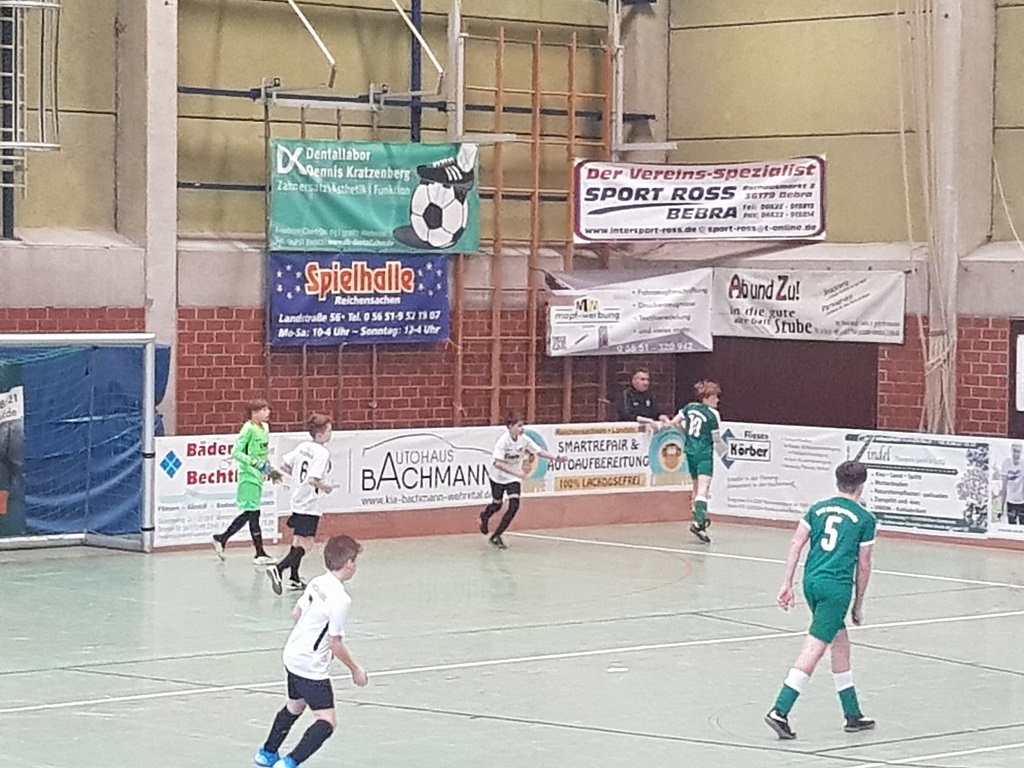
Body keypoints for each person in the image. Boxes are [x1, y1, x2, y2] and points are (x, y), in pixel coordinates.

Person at [764, 460, 877, 740]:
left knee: (840, 644)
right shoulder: (865, 519)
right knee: (814, 649)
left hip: (811, 583)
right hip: (836, 589)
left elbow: (796, 543)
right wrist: (858, 604)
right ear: (862, 486)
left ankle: (852, 713)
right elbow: (864, 565)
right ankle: (780, 710)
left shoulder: (817, 509)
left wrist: (787, 583)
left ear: (838, 482)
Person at [253, 535, 369, 768]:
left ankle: (267, 753)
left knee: (295, 706)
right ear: (348, 563)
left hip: (292, 655)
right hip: (310, 665)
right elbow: (335, 643)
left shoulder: (317, 582)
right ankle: (288, 763)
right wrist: (355, 669)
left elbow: (296, 613)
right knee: (327, 721)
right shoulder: (340, 599)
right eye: (355, 561)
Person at [267, 413, 335, 595]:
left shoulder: (303, 446)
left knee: (297, 540)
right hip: (310, 503)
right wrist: (326, 487)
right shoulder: (322, 453)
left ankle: (294, 578)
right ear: (320, 434)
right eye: (329, 431)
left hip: (297, 499)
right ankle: (278, 569)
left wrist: (298, 478)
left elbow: (284, 465)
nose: (331, 434)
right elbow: (313, 479)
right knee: (307, 544)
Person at [478, 411, 565, 549]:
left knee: (514, 505)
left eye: (522, 425)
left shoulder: (524, 440)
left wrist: (555, 458)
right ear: (510, 427)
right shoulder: (503, 442)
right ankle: (485, 516)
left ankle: (496, 536)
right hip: (498, 477)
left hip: (513, 478)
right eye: (518, 426)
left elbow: (539, 451)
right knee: (497, 505)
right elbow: (498, 464)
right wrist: (517, 473)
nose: (521, 428)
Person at [659, 380, 727, 543]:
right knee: (703, 489)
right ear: (707, 397)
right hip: (704, 454)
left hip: (690, 452)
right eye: (715, 397)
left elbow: (675, 423)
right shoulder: (712, 414)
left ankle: (698, 517)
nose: (718, 400)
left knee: (695, 487)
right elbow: (716, 439)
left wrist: (686, 434)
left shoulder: (689, 408)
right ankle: (699, 523)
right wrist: (725, 451)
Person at [213, 398, 280, 563]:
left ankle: (222, 538)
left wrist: (269, 470)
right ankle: (259, 552)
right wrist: (254, 463)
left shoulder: (265, 428)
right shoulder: (248, 429)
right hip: (248, 475)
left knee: (250, 513)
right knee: (253, 512)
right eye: (264, 410)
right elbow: (236, 453)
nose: (268, 413)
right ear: (254, 413)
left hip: (259, 476)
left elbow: (263, 453)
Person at [998, 443, 1024, 525]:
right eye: (1014, 451)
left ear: (1021, 452)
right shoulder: (1006, 463)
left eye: (1018, 451)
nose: (1016, 454)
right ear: (1011, 451)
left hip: (1022, 502)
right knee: (1012, 525)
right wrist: (1001, 507)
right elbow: (1004, 486)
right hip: (1010, 501)